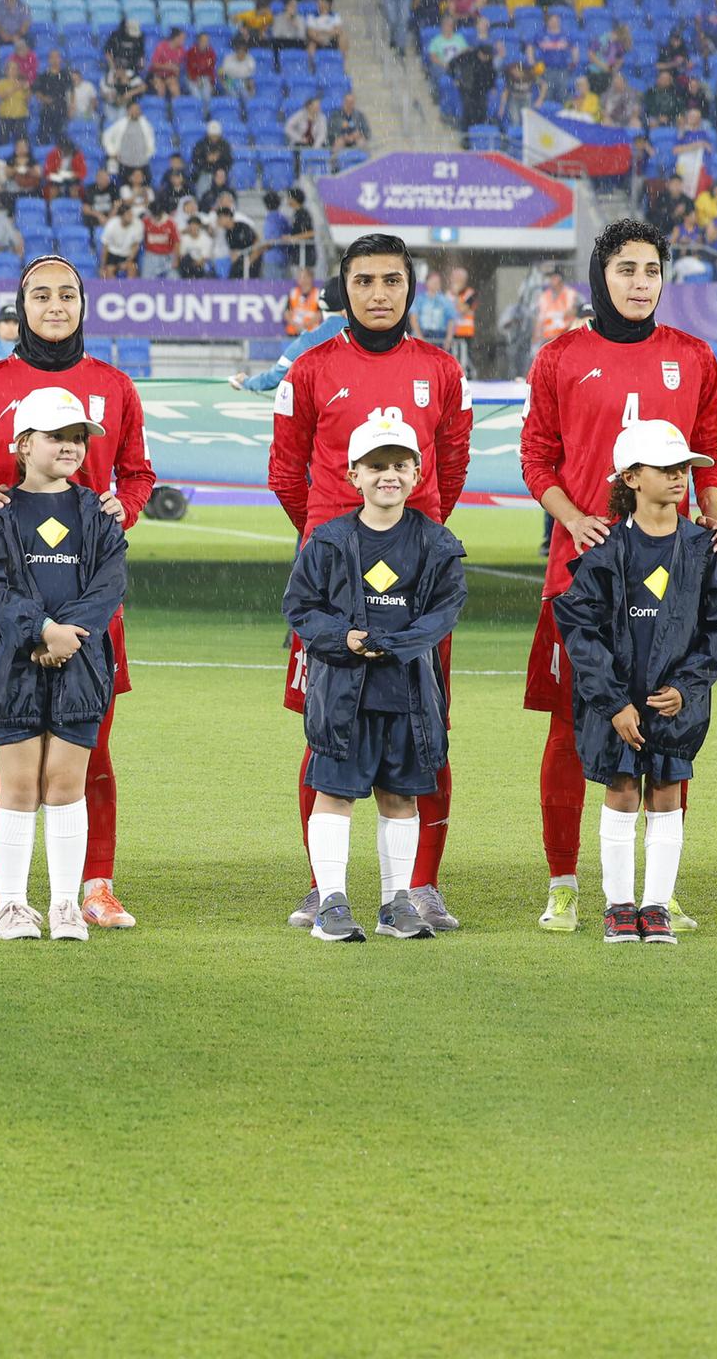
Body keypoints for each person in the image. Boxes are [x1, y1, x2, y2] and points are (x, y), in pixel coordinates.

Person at [519, 220, 717, 931]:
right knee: (569, 732)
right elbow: (536, 460)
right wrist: (573, 519)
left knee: (672, 716)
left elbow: (710, 451)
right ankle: (564, 883)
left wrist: (713, 512)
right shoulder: (561, 358)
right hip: (580, 578)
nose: (641, 283)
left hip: (670, 578)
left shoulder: (694, 356)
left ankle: (660, 892)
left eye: (651, 270)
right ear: (599, 277)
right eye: (626, 270)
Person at [0, 258, 153, 930]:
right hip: (5, 598)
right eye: (41, 294)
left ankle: (94, 885)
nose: (54, 304)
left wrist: (124, 509)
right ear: (20, 303)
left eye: (67, 294)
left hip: (85, 597)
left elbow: (139, 473)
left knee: (90, 746)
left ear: (84, 304)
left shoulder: (113, 386)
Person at [268, 233, 473, 932]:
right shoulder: (310, 369)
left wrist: (416, 540)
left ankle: (421, 886)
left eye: (392, 280)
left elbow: (452, 462)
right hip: (334, 581)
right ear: (343, 288)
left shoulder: (443, 370)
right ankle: (322, 888)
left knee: (425, 725)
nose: (379, 293)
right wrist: (334, 544)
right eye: (364, 281)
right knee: (324, 726)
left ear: (411, 288)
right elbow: (285, 472)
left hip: (415, 580)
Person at [553, 419, 717, 944]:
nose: (681, 476)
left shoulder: (702, 548)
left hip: (674, 704)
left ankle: (656, 907)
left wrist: (687, 686)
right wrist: (614, 702)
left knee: (665, 792)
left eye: (685, 467)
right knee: (619, 790)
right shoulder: (605, 548)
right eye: (667, 468)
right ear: (632, 477)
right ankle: (619, 906)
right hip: (614, 705)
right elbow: (579, 628)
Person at [282, 412, 469, 943]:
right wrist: (344, 638)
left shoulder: (437, 542)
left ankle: (396, 903)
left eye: (400, 465)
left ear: (418, 473)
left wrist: (394, 643)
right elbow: (300, 607)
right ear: (353, 475)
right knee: (334, 794)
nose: (388, 475)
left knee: (401, 797)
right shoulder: (327, 539)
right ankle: (332, 903)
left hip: (409, 693)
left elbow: (444, 611)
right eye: (375, 466)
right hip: (343, 693)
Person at [0, 385, 131, 942]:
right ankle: (12, 905)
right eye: (56, 436)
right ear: (21, 443)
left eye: (78, 437)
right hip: (11, 661)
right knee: (17, 787)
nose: (70, 446)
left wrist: (66, 636)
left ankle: (64, 905)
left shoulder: (100, 511)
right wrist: (40, 629)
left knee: (65, 785)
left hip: (80, 661)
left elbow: (110, 583)